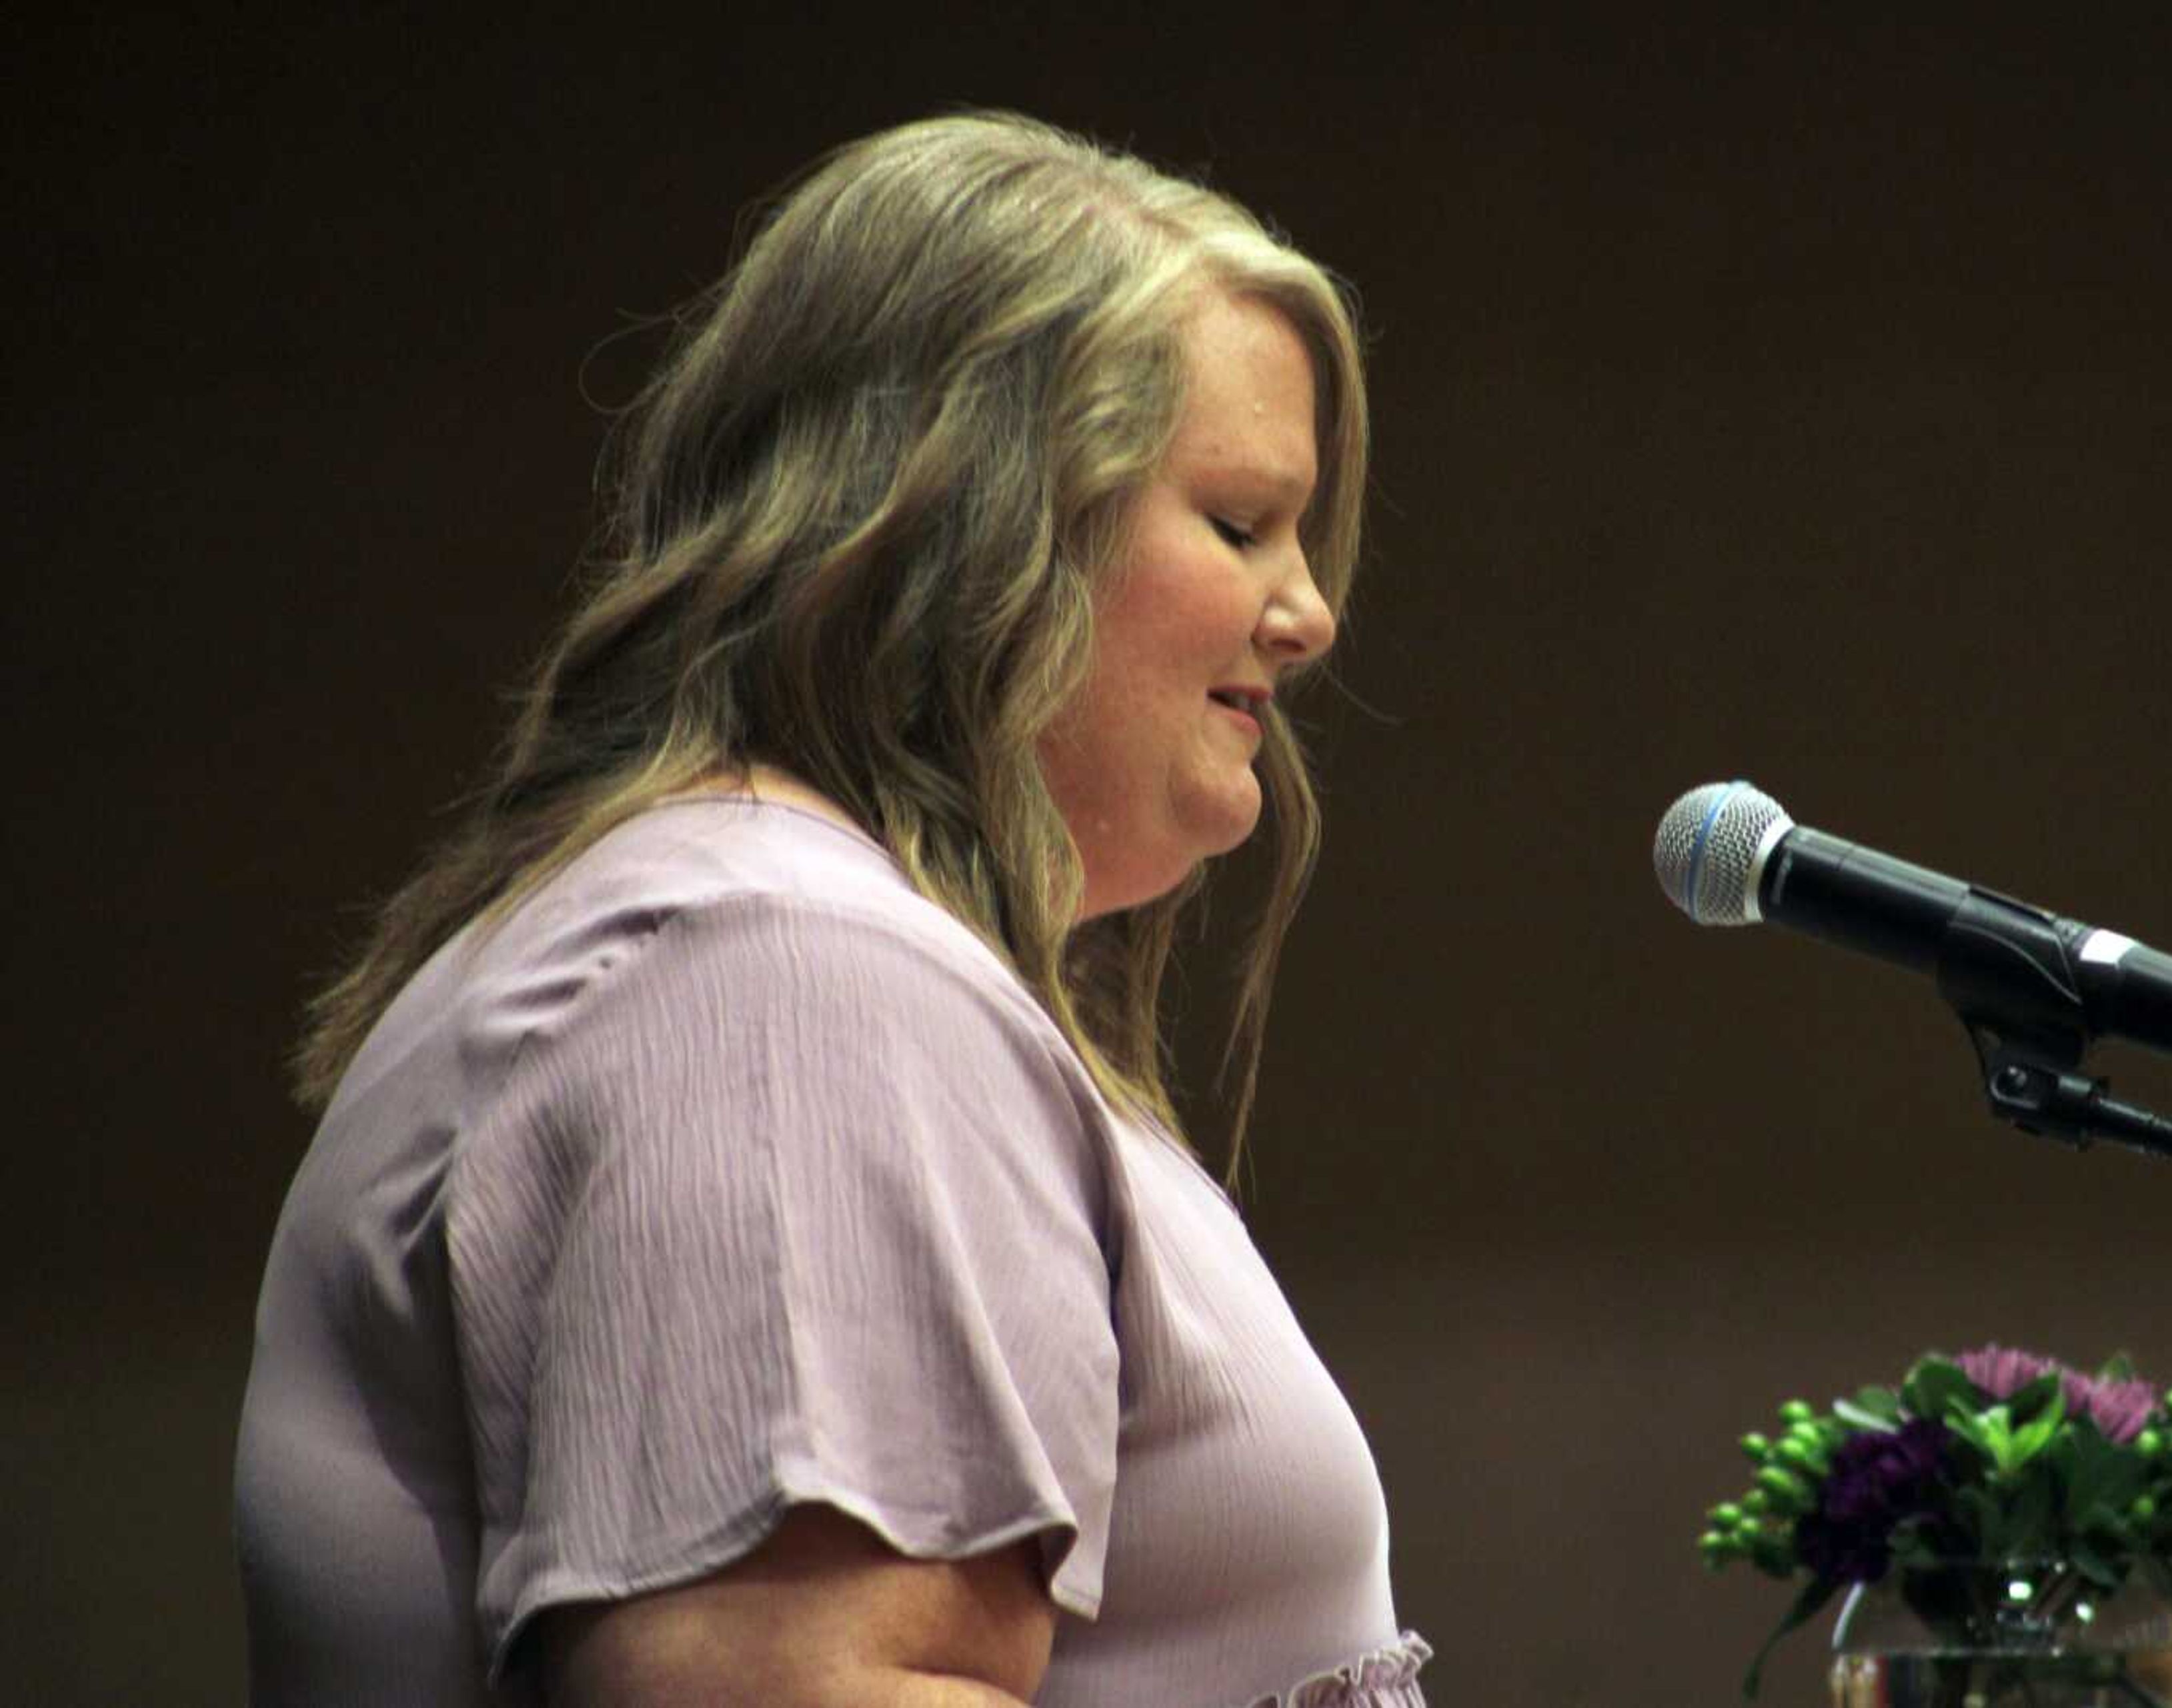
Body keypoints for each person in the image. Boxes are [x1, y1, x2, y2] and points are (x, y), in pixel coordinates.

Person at [233, 111, 1430, 1708]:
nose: (1308, 614)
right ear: (975, 521)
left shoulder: (799, 951)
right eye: (1235, 521)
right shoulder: (779, 976)